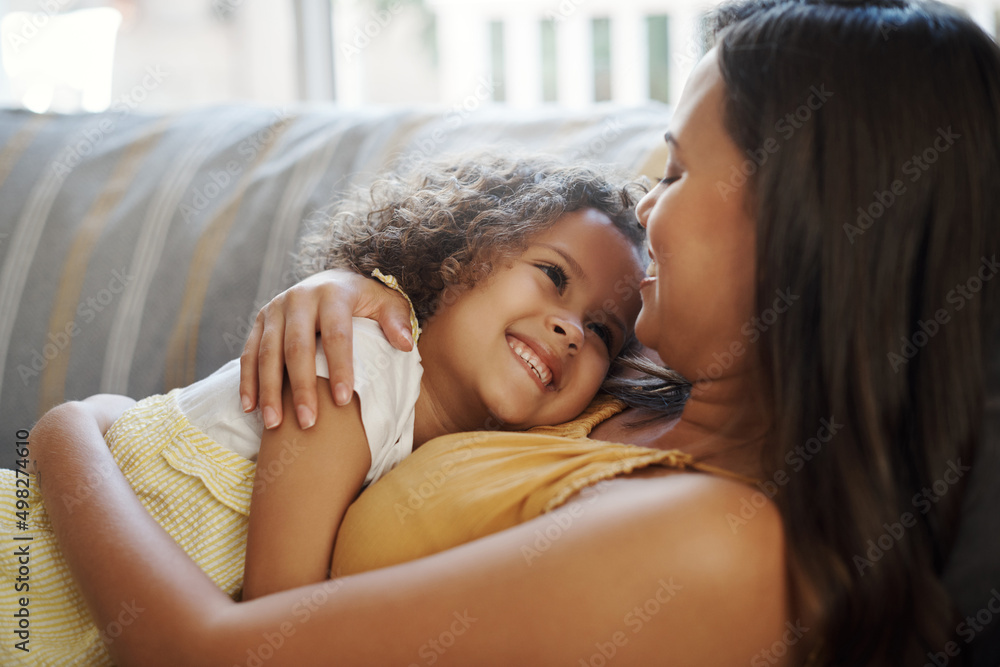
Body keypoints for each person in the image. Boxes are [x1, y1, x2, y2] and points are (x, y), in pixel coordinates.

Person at [25, 0, 1000, 664]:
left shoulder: (724, 548)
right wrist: (349, 289)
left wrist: (69, 430)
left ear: (801, 227)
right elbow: (471, 318)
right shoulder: (639, 384)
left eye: (677, 171)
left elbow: (215, 654)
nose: (646, 206)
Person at [1, 153, 664, 665]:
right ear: (467, 250)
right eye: (553, 275)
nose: (572, 330)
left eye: (603, 331)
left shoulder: (450, 450)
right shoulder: (357, 369)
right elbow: (278, 619)